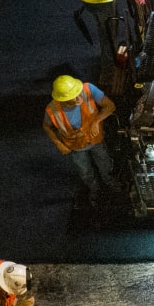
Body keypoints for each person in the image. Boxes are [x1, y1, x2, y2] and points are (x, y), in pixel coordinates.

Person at [43, 74, 119, 208]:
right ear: (62, 99)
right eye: (74, 98)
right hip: (76, 146)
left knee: (104, 161)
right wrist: (58, 144)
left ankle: (109, 180)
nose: (79, 98)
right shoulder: (52, 110)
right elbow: (46, 126)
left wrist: (96, 121)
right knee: (84, 170)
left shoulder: (88, 89)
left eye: (78, 93)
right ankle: (93, 187)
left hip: (96, 139)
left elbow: (110, 106)